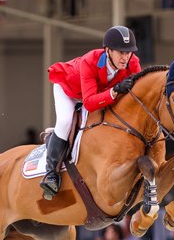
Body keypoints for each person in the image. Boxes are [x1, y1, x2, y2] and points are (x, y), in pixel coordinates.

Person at [40, 26, 142, 199]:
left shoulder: (132, 62)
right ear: (108, 50)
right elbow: (89, 102)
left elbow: (139, 92)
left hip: (98, 94)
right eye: (120, 52)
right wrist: (115, 91)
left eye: (129, 52)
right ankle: (51, 173)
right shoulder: (90, 61)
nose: (125, 57)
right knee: (65, 121)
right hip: (70, 91)